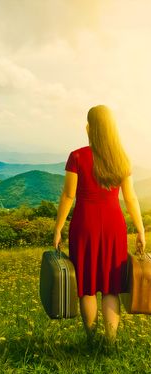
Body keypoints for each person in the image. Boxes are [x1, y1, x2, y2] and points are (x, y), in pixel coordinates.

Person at [53, 104, 146, 347]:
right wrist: (140, 229)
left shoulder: (77, 156)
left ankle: (91, 340)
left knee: (86, 287)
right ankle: (111, 342)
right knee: (111, 287)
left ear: (89, 127)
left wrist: (57, 228)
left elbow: (68, 196)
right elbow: (131, 197)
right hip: (114, 225)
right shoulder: (121, 158)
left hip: (85, 225)